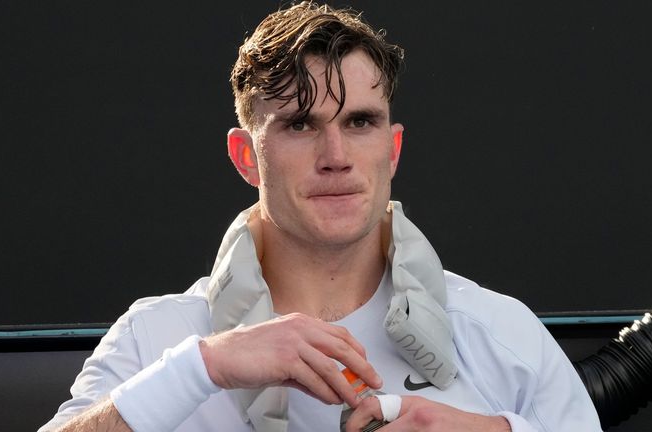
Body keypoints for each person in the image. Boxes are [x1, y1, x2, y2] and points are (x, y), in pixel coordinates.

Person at [40, 2, 601, 431]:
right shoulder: (157, 339)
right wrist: (202, 370)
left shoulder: (500, 335)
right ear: (245, 157)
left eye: (359, 122)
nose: (336, 157)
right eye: (300, 125)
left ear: (393, 149)